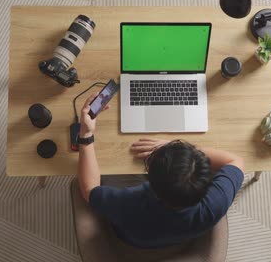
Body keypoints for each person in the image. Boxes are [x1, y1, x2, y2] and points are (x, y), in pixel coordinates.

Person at [77, 93, 245, 248]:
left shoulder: (125, 203)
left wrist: (86, 133)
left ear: (149, 176)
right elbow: (236, 160)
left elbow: (88, 189)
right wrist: (183, 151)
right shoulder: (216, 203)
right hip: (181, 236)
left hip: (132, 240)